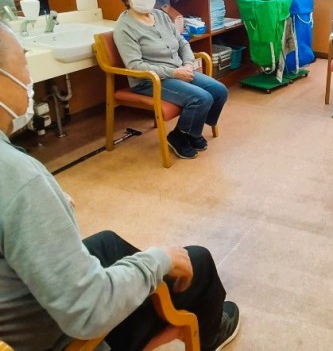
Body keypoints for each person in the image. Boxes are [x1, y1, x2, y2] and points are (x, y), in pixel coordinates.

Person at [0, 23, 240, 350]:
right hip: (62, 335)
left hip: (23, 307)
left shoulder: (18, 177)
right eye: (25, 65)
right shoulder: (19, 178)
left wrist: (44, 198)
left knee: (108, 242)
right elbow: (88, 310)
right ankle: (210, 332)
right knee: (197, 261)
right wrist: (158, 261)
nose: (29, 78)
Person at [113, 0, 228, 160]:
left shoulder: (160, 15)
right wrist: (174, 73)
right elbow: (135, 66)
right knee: (201, 98)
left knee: (219, 91)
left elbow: (182, 42)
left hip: (178, 70)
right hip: (149, 80)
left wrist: (189, 64)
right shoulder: (124, 27)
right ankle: (179, 136)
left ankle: (192, 131)